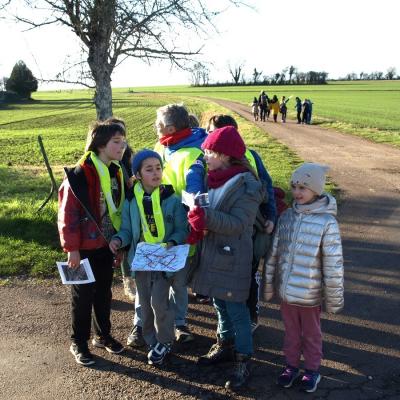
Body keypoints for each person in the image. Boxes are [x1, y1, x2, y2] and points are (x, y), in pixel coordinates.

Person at [187, 126, 264, 391]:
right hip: (212, 253)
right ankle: (224, 343)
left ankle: (243, 358)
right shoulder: (214, 178)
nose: (204, 155)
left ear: (226, 155)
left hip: (233, 257)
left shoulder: (248, 185)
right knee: (219, 304)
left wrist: (205, 218)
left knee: (237, 310)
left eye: (209, 151)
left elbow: (240, 223)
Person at [127, 104, 207, 347]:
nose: (155, 128)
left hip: (180, 234)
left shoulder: (195, 154)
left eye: (158, 124)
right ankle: (141, 325)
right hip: (151, 237)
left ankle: (179, 324)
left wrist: (186, 231)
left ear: (170, 128)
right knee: (146, 286)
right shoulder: (161, 147)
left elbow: (197, 197)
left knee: (178, 284)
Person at [263, 163, 344, 393]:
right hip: (287, 292)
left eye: (303, 188)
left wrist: (333, 299)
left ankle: (312, 370)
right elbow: (274, 254)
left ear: (316, 190)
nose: (297, 192)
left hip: (310, 295)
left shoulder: (327, 223)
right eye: (294, 186)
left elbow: (334, 264)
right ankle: (290, 366)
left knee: (310, 334)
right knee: (290, 333)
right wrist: (269, 286)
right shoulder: (287, 216)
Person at [58, 120, 127, 366]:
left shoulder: (117, 171)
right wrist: (72, 249)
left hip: (106, 246)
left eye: (123, 141)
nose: (122, 146)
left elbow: (118, 211)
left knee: (104, 294)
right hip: (83, 248)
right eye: (116, 142)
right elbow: (68, 214)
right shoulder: (79, 175)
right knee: (82, 296)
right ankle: (78, 342)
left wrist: (120, 245)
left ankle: (103, 335)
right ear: (100, 145)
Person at [109, 149, 188, 365]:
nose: (155, 173)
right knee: (144, 304)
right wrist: (118, 240)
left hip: (164, 260)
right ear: (138, 174)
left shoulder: (171, 199)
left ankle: (165, 340)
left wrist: (172, 242)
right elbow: (126, 229)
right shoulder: (131, 202)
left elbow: (183, 229)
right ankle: (151, 339)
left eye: (158, 168)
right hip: (141, 261)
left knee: (159, 303)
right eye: (149, 169)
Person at [206, 114, 277, 333]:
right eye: (210, 131)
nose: (211, 136)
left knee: (247, 275)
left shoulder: (251, 156)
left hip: (249, 229)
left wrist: (271, 217)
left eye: (215, 132)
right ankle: (228, 327)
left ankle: (249, 317)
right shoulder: (209, 157)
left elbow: (267, 187)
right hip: (220, 230)